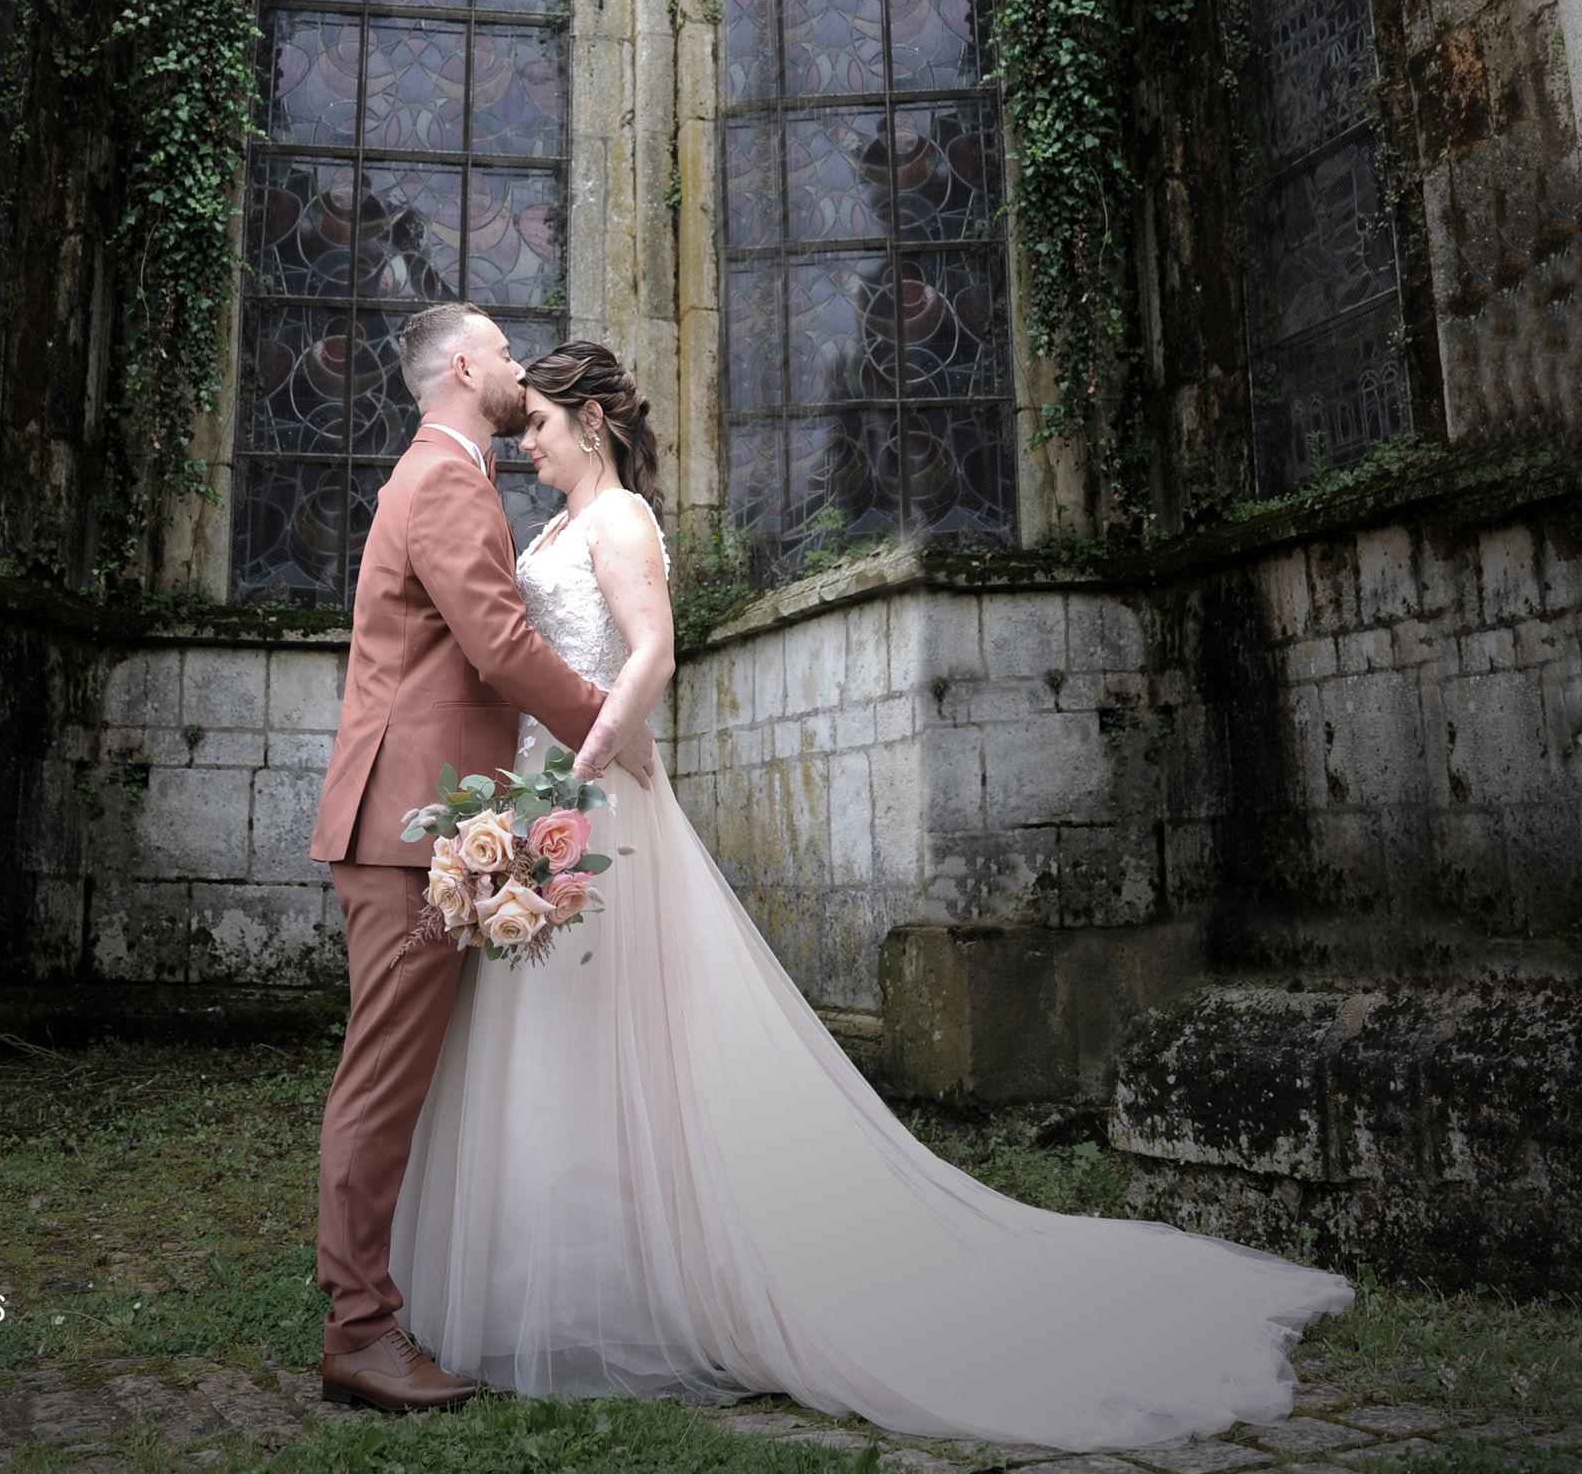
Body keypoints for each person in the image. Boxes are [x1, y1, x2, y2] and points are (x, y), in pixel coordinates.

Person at [390, 340, 1355, 1454]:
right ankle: (556, 1280)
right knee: (548, 1035)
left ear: (591, 423)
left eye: (542, 429)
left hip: (597, 805)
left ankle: (653, 1280)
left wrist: (587, 761)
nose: (530, 448)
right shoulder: (551, 533)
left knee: (622, 1037)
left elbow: (652, 655)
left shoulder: (622, 523)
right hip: (540, 801)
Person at [307, 303, 655, 1415]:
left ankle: (381, 1303)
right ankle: (360, 1331)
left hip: (414, 819)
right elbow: (499, 644)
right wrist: (609, 722)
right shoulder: (447, 481)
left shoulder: (439, 475)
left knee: (402, 1074)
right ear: (464, 365)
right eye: (503, 352)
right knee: (382, 1079)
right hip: (404, 827)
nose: (516, 367)